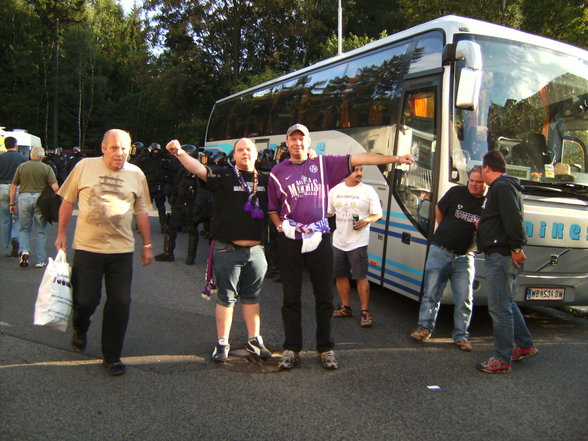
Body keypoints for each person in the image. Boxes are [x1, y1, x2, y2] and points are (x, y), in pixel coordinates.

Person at [268, 123, 414, 370]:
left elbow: (361, 158)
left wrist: (396, 158)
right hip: (291, 239)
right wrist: (281, 227)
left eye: (301, 139)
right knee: (290, 296)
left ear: (308, 141)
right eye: (292, 139)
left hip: (320, 238)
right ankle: (292, 348)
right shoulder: (276, 172)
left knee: (325, 295)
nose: (297, 143)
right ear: (286, 142)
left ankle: (325, 348)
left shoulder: (324, 165)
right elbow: (272, 208)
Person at [55, 129, 154, 376]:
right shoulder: (84, 166)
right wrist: (61, 234)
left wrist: (148, 245)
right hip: (88, 249)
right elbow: (68, 201)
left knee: (120, 302)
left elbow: (142, 211)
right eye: (114, 148)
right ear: (103, 148)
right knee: (86, 300)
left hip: (121, 251)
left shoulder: (136, 174)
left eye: (124, 149)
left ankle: (112, 355)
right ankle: (80, 326)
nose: (119, 154)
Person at [166, 138, 272, 362]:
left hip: (256, 252)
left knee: (253, 297)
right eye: (240, 150)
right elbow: (198, 168)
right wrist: (179, 152)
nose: (245, 153)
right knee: (227, 298)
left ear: (257, 155)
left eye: (249, 150)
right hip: (227, 250)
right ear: (233, 156)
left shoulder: (266, 179)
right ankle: (222, 342)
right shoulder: (223, 176)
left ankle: (254, 339)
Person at [410, 166, 486, 351]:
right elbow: (439, 209)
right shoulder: (456, 192)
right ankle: (424, 328)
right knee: (431, 293)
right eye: (472, 181)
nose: (474, 185)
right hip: (440, 250)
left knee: (464, 299)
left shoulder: (488, 203)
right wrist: (445, 230)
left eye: (479, 182)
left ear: (486, 184)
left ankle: (461, 336)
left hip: (465, 257)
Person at [476, 150, 537, 373]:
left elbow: (513, 218)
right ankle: (524, 345)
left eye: (482, 169)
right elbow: (504, 219)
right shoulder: (503, 187)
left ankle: (501, 359)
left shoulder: (500, 187)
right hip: (502, 254)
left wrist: (516, 247)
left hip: (501, 257)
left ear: (487, 168)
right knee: (507, 303)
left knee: (500, 308)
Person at [327, 165, 382, 327]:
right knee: (340, 276)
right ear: (345, 172)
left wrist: (366, 220)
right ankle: (346, 307)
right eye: (355, 170)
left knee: (360, 276)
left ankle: (365, 311)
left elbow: (378, 213)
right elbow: (329, 212)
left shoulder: (368, 191)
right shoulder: (335, 190)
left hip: (358, 242)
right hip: (339, 241)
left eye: (361, 170)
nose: (359, 173)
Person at [9, 146, 59, 268]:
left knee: (24, 228)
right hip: (40, 199)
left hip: (24, 198)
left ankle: (24, 250)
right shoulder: (46, 168)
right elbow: (55, 187)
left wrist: (12, 203)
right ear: (42, 156)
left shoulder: (22, 167)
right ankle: (40, 260)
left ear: (31, 155)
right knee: (41, 230)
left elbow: (14, 186)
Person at [155, 144, 201, 264]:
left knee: (192, 230)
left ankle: (191, 257)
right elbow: (176, 185)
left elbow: (202, 191)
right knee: (171, 228)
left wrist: (197, 206)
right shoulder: (181, 169)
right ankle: (168, 253)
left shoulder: (198, 170)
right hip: (180, 203)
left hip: (191, 204)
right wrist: (173, 199)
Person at [0, 137, 26, 257]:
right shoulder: (22, 158)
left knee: (5, 220)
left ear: (5, 146)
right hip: (18, 188)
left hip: (3, 187)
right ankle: (15, 238)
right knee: (17, 217)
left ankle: (7, 248)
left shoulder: (1, 158)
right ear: (16, 145)